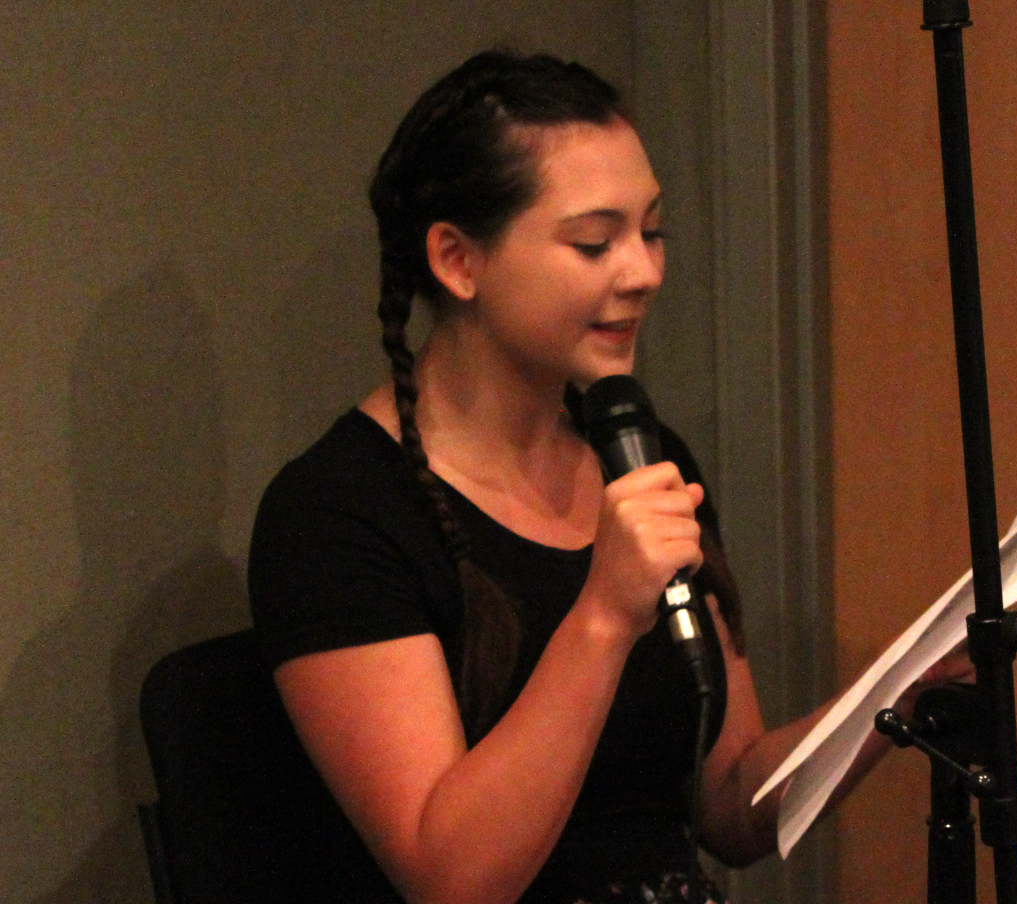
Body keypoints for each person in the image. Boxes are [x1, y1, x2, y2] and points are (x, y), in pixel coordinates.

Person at [249, 50, 971, 904]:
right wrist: (603, 613)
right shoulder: (335, 514)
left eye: (651, 231)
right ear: (457, 260)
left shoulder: (638, 449)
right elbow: (452, 880)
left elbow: (732, 807)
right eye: (595, 242)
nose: (644, 272)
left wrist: (901, 693)